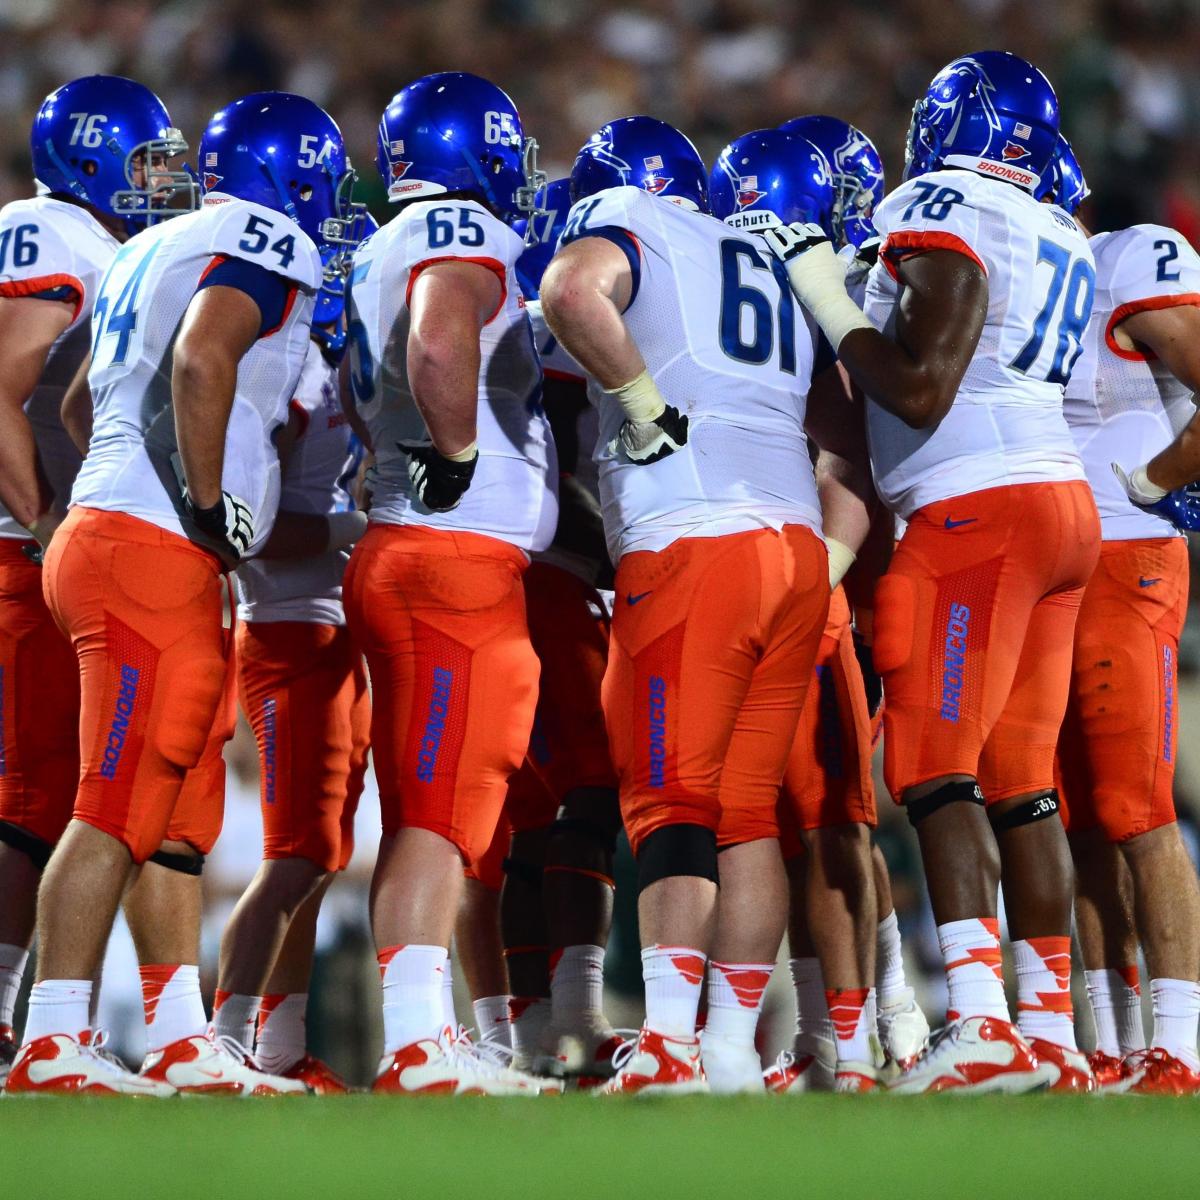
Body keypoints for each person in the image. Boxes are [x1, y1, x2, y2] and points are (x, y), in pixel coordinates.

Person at [6, 90, 354, 1096]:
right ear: (292, 172)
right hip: (150, 544)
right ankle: (53, 1037)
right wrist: (208, 502)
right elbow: (204, 357)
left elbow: (77, 401)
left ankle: (175, 1031)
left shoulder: (150, 246)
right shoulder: (263, 238)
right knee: (116, 802)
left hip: (120, 534)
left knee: (178, 810)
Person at [765, 51, 1101, 1093]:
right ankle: (1048, 1035)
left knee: (934, 770)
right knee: (1022, 789)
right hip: (1058, 504)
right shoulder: (1056, 224)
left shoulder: (942, 201)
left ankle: (986, 1026)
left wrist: (828, 292)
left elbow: (916, 390)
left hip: (977, 509)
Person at [541, 115, 833, 1094]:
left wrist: (637, 403)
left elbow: (572, 290)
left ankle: (665, 1042)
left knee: (671, 798)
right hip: (792, 544)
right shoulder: (758, 252)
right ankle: (728, 1050)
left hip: (692, 540)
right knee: (749, 814)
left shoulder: (628, 219)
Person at [344, 71, 559, 1095]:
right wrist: (460, 455)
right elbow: (438, 335)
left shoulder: (389, 237)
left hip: (429, 552)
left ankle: (427, 1034)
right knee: (434, 808)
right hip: (447, 554)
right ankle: (416, 1044)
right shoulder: (456, 236)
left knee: (450, 799)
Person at [0, 73, 196, 1085]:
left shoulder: (104, 244)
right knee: (46, 790)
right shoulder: (52, 233)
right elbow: (5, 378)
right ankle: (21, 1022)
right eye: (143, 160)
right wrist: (41, 517)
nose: (161, 180)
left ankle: (161, 1027)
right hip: (28, 544)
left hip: (67, 540)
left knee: (104, 788)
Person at [1045, 135, 1200, 1094]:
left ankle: (1179, 1042)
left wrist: (1153, 481)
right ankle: (1105, 1038)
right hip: (1048, 562)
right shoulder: (1009, 289)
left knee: (1136, 808)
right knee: (1071, 818)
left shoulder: (1126, 258)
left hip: (1124, 555)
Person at [211, 238, 371, 1095]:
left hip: (336, 623)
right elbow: (253, 527)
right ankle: (227, 1040)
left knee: (321, 855)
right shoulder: (276, 376)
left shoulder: (328, 371)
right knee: (294, 852)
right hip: (282, 625)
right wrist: (358, 530)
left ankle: (279, 1046)